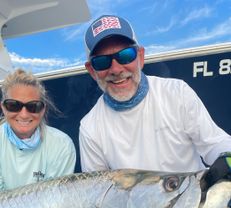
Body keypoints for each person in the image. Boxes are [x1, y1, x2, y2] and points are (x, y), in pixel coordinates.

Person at [79, 14, 231, 188]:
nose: (116, 69)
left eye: (126, 55)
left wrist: (226, 158)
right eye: (102, 61)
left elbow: (214, 143)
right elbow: (98, 191)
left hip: (194, 202)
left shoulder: (177, 92)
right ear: (91, 70)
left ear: (141, 57)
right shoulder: (89, 128)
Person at [0, 68, 76, 190]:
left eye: (33, 106)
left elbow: (57, 198)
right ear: (3, 108)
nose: (24, 115)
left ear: (43, 110)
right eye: (13, 105)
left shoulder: (62, 145)